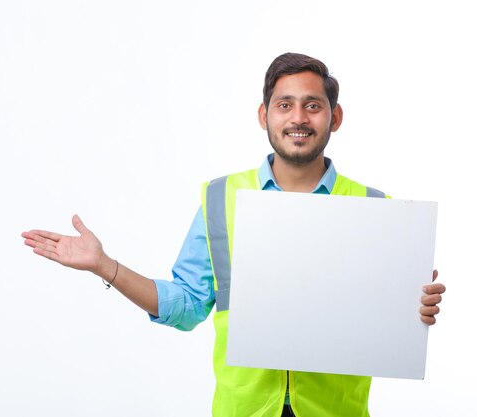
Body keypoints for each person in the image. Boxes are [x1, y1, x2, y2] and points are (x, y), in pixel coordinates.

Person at [22, 52, 446, 417]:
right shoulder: (221, 198)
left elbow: (387, 326)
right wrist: (105, 266)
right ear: (264, 115)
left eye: (312, 106)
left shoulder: (375, 208)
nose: (298, 118)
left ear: (335, 118)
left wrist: (415, 309)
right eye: (285, 105)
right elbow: (187, 305)